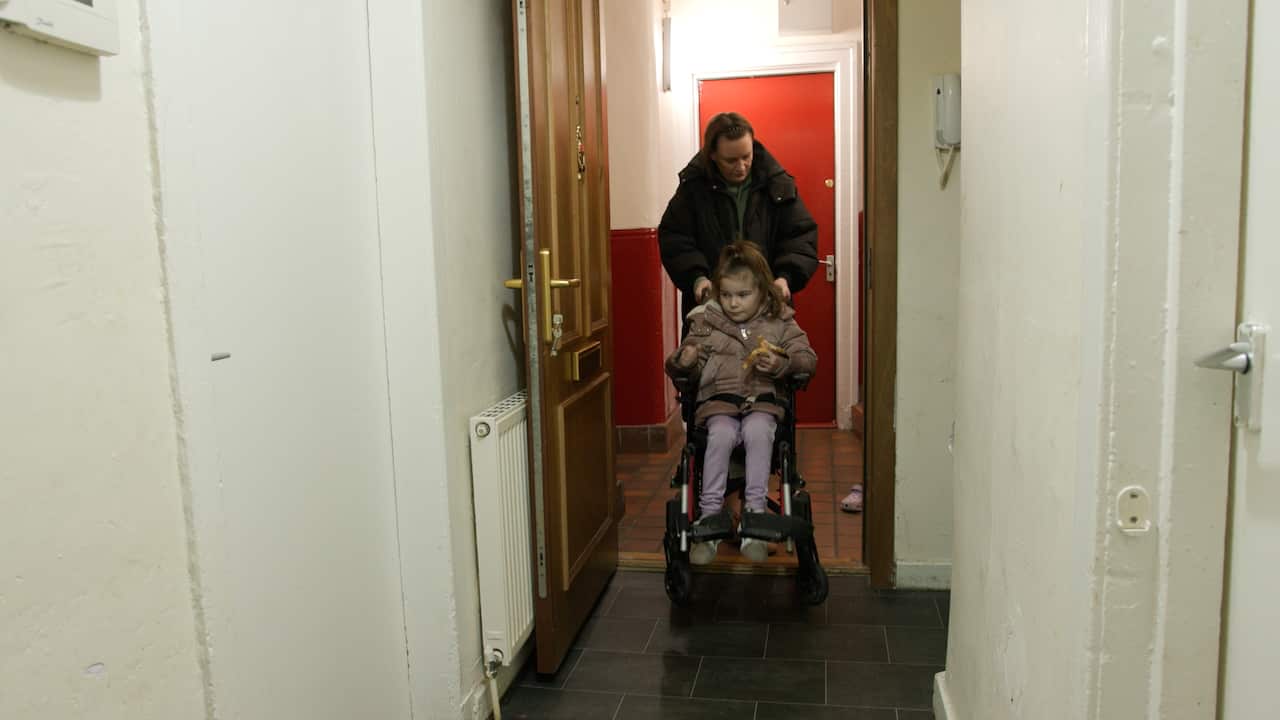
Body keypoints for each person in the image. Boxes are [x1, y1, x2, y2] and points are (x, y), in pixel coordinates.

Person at [665, 242, 817, 565]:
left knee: (759, 432)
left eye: (743, 295)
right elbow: (681, 365)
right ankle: (709, 520)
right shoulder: (705, 321)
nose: (733, 303)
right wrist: (686, 359)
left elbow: (807, 359)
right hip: (719, 404)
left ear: (762, 291)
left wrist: (781, 364)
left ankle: (754, 517)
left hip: (762, 403)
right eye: (727, 294)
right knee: (719, 435)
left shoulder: (779, 321)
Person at [659, 112, 820, 322]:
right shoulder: (692, 190)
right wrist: (697, 278)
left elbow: (800, 236)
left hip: (767, 306)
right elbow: (675, 239)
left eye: (747, 156)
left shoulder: (777, 185)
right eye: (731, 160)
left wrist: (785, 278)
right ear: (713, 155)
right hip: (712, 306)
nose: (741, 166)